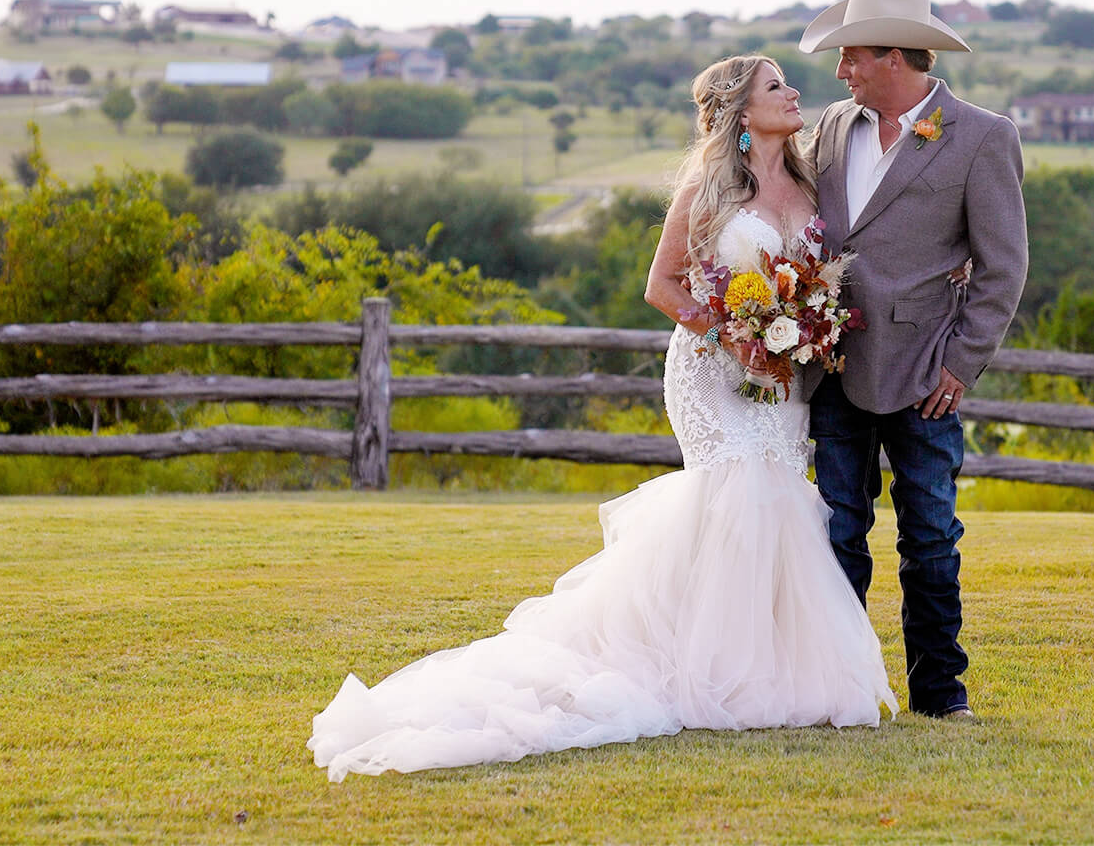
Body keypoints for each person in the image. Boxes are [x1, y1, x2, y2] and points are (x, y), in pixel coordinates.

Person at [307, 55, 896, 783]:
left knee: (775, 497)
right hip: (712, 371)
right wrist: (735, 337)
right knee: (737, 494)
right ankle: (706, 670)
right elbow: (663, 284)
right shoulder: (708, 186)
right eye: (778, 86)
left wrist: (799, 331)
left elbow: (813, 281)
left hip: (783, 377)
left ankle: (764, 670)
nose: (795, 92)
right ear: (743, 111)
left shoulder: (809, 182)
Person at [797, 0, 1029, 721]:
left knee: (929, 535)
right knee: (837, 530)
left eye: (852, 58)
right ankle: (841, 690)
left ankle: (939, 695)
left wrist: (961, 364)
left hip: (928, 370)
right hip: (834, 364)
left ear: (893, 58)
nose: (841, 73)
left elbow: (1004, 267)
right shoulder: (832, 127)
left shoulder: (983, 137)